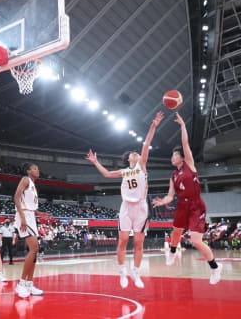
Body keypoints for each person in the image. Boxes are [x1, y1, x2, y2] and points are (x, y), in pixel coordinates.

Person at [85, 111, 163, 288]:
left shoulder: (142, 166)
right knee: (123, 241)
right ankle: (122, 273)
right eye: (132, 154)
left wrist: (153, 125)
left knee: (138, 243)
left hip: (141, 208)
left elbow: (147, 143)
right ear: (128, 158)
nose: (136, 154)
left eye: (137, 153)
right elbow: (106, 174)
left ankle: (136, 272)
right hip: (126, 207)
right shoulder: (124, 172)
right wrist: (95, 162)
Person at [152, 112, 222, 285]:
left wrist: (183, 126)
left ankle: (214, 267)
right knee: (176, 231)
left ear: (182, 157)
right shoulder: (173, 175)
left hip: (196, 206)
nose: (172, 157)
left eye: (175, 155)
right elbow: (170, 195)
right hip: (182, 205)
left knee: (196, 241)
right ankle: (173, 251)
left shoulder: (189, 164)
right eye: (173, 155)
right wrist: (163, 201)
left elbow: (185, 143)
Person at [14, 163, 45, 298]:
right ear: (28, 171)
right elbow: (16, 197)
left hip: (31, 215)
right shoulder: (25, 179)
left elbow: (29, 204)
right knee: (33, 249)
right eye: (34, 168)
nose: (37, 170)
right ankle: (21, 284)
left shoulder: (32, 184)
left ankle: (29, 284)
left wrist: (39, 213)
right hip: (24, 216)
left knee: (35, 250)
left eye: (37, 168)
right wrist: (22, 218)